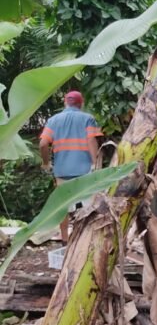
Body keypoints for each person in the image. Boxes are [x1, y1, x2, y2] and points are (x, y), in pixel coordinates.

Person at [39, 91, 102, 243]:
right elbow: (92, 141)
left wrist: (46, 163)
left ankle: (65, 239)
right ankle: (86, 238)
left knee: (62, 207)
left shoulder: (53, 120)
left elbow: (42, 144)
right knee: (88, 205)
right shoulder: (87, 119)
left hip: (62, 172)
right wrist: (96, 164)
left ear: (65, 103)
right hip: (85, 171)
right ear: (81, 103)